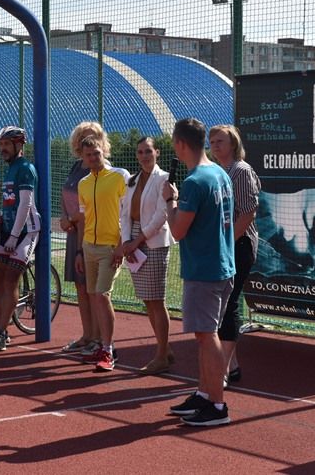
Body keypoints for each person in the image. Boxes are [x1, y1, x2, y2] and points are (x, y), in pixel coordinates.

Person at [163, 118, 235, 427]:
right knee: (207, 336)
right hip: (221, 265)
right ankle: (205, 395)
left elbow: (178, 230)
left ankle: (217, 405)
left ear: (180, 144)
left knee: (207, 337)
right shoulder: (219, 172)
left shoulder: (194, 182)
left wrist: (170, 201)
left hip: (205, 269)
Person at [112, 137, 175, 375]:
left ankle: (161, 355)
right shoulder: (132, 180)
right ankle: (165, 349)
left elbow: (162, 215)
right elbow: (125, 213)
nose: (144, 156)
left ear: (157, 152)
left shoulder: (164, 178)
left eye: (148, 151)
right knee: (148, 299)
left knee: (156, 299)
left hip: (154, 241)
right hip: (135, 239)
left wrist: (137, 240)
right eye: (140, 152)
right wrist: (127, 241)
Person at [208, 124, 261, 387]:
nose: (215, 145)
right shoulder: (215, 171)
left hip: (237, 247)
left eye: (220, 141)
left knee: (228, 304)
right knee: (222, 305)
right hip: (221, 247)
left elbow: (248, 212)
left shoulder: (240, 171)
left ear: (233, 143)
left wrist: (226, 242)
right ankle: (233, 366)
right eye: (212, 141)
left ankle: (222, 371)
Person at [0, 126, 41, 352]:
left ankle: (2, 332)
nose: (2, 149)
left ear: (19, 145)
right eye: (1, 145)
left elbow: (26, 205)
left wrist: (15, 236)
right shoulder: (9, 169)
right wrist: (1, 220)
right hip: (8, 229)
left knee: (10, 280)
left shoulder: (25, 168)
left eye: (7, 144)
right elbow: (10, 201)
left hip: (25, 232)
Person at [75, 135, 128, 371]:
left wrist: (121, 245)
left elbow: (127, 214)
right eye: (89, 155)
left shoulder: (120, 176)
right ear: (82, 158)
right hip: (88, 246)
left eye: (97, 153)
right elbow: (84, 218)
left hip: (110, 247)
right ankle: (102, 344)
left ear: (103, 151)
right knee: (93, 295)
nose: (94, 158)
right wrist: (79, 250)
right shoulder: (83, 183)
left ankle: (108, 350)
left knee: (102, 295)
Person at [59, 122, 105, 358]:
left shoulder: (100, 169)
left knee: (93, 289)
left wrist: (74, 219)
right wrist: (65, 219)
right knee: (80, 285)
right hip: (74, 232)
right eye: (82, 137)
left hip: (91, 234)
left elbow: (92, 207)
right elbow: (64, 194)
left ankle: (98, 338)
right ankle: (87, 335)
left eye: (91, 137)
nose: (86, 142)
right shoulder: (76, 166)